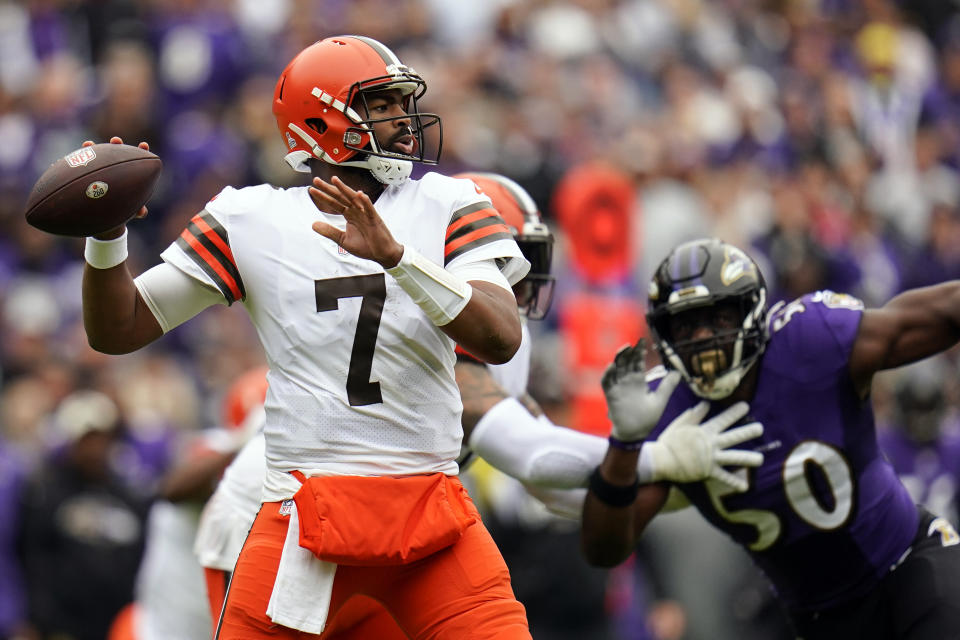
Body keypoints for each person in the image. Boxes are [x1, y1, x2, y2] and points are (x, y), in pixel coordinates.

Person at [79, 35, 534, 639]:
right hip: (303, 515)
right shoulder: (251, 218)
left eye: (403, 102)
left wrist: (399, 259)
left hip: (431, 507)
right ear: (322, 120)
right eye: (381, 105)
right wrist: (106, 236)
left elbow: (502, 336)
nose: (404, 120)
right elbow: (119, 328)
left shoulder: (450, 201)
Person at [581, 237, 960, 640]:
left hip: (909, 563)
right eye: (687, 325)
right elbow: (603, 548)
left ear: (753, 311)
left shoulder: (810, 341)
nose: (705, 339)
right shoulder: (663, 410)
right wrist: (625, 444)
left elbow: (938, 313)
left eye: (719, 318)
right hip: (822, 619)